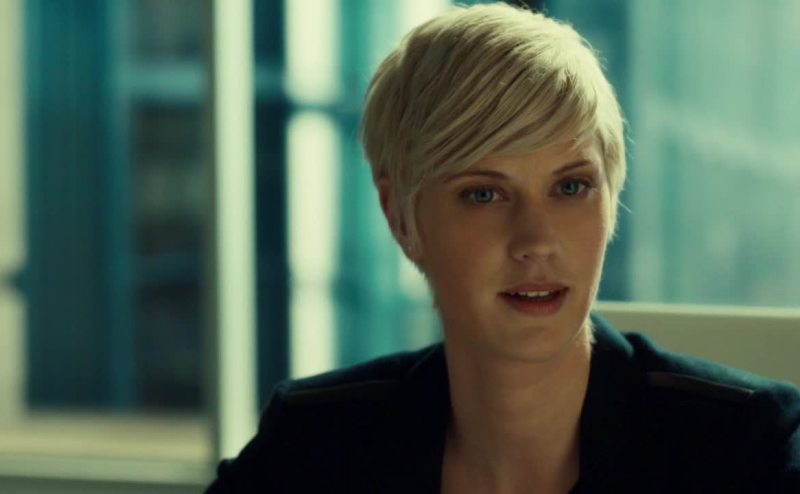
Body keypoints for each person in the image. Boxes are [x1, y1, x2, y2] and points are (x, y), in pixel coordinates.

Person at [206, 3, 800, 492]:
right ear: (400, 216)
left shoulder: (748, 447)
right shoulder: (312, 443)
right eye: (484, 194)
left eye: (571, 187)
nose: (536, 241)